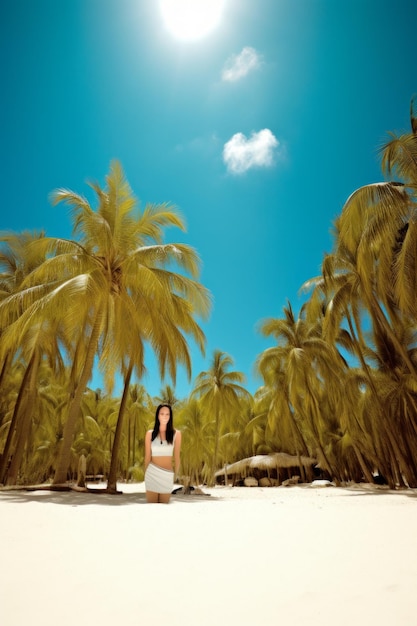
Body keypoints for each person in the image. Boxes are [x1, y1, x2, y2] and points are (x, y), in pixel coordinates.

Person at [144, 404, 182, 503]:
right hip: (151, 474)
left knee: (164, 510)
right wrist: (145, 475)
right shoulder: (150, 434)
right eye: (162, 414)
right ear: (158, 415)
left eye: (167, 414)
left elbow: (177, 458)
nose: (165, 416)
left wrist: (175, 476)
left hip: (167, 475)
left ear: (170, 416)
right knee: (152, 509)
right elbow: (147, 457)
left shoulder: (176, 434)